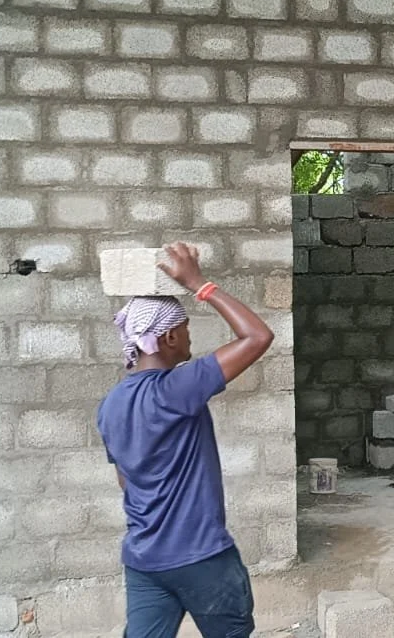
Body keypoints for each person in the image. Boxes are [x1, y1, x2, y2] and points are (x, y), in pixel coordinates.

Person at [95, 242, 275, 638]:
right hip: (202, 559)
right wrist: (199, 284)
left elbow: (126, 479)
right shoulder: (177, 388)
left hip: (144, 561)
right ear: (170, 338)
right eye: (186, 331)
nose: (191, 340)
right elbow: (257, 336)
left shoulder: (109, 406)